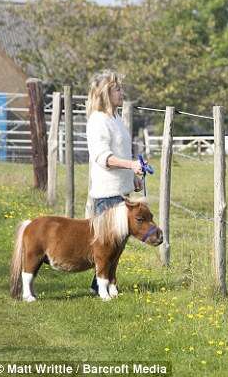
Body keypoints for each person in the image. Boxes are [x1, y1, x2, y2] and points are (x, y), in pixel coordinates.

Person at [85, 70, 142, 294]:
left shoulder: (117, 118)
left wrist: (134, 176)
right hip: (107, 193)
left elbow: (121, 152)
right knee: (107, 245)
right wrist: (131, 165)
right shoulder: (98, 121)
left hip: (122, 190)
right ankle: (102, 285)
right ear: (105, 93)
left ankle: (102, 284)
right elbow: (103, 158)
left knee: (116, 246)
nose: (122, 92)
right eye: (117, 89)